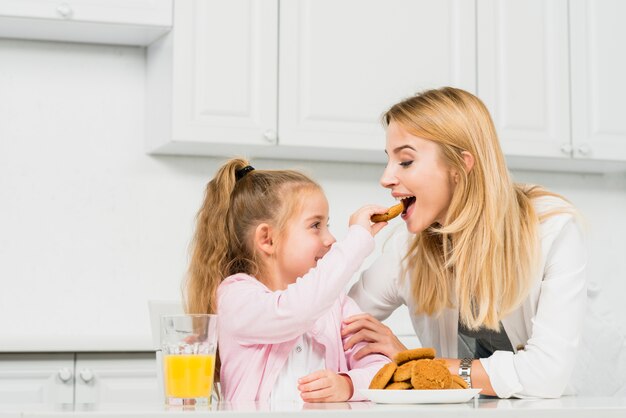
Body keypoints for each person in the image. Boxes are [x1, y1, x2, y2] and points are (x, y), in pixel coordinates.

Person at [343, 87, 589, 398]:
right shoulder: (408, 247)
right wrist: (351, 246)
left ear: (460, 166)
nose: (386, 178)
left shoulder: (552, 231)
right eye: (388, 160)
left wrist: (422, 365)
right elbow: (334, 326)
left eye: (405, 161)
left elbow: (545, 376)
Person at [185, 158, 391, 403]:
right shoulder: (235, 297)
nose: (331, 239)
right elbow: (295, 310)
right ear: (267, 239)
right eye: (315, 225)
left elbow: (383, 369)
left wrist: (348, 384)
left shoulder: (337, 305)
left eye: (327, 225)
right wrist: (356, 240)